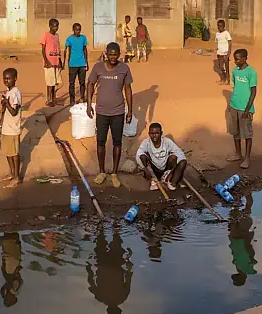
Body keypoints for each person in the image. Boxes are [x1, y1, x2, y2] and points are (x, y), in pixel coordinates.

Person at [87, 43, 134, 187]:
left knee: (117, 142)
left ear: (119, 54)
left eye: (115, 54)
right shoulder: (98, 67)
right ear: (106, 53)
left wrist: (130, 110)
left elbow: (128, 90)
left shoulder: (124, 68)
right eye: (110, 54)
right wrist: (89, 104)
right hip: (101, 111)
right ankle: (102, 172)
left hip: (118, 111)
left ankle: (114, 173)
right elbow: (90, 84)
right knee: (100, 142)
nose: (113, 57)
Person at [226, 48, 257, 169]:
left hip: (246, 108)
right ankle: (238, 153)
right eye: (235, 59)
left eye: (238, 59)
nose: (235, 61)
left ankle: (247, 158)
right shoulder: (234, 71)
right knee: (235, 131)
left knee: (247, 134)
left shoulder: (251, 72)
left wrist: (247, 109)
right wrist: (230, 104)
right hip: (234, 105)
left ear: (245, 58)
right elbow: (235, 87)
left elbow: (253, 92)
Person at [136, 122, 185, 192]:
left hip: (165, 168)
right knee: (143, 156)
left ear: (161, 133)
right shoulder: (146, 142)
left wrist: (172, 171)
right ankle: (153, 180)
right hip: (154, 169)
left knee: (178, 159)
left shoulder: (167, 142)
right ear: (149, 134)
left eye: (157, 133)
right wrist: (145, 169)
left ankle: (171, 182)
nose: (154, 136)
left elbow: (180, 154)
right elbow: (138, 155)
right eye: (152, 133)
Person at [0, 67, 24, 185]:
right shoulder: (8, 92)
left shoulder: (16, 93)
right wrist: (4, 103)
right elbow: (6, 109)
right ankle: (12, 173)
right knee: (8, 152)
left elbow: (14, 112)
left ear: (15, 79)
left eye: (8, 78)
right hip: (6, 127)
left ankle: (17, 177)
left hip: (13, 128)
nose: (6, 81)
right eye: (4, 78)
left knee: (14, 154)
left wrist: (7, 103)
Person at [64, 23, 90, 105]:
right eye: (76, 30)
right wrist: (66, 61)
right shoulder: (69, 39)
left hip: (82, 63)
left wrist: (86, 62)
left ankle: (82, 97)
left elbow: (85, 50)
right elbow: (67, 51)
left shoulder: (83, 38)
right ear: (73, 30)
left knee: (82, 82)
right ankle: (72, 99)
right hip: (72, 64)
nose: (77, 31)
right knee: (72, 83)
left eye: (79, 30)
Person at [40, 18, 63, 107]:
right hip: (49, 63)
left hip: (56, 62)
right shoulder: (46, 35)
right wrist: (46, 61)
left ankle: (54, 99)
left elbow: (58, 49)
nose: (56, 28)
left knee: (55, 82)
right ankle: (49, 100)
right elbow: (43, 49)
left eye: (57, 26)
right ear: (50, 26)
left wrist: (60, 60)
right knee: (50, 83)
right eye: (54, 26)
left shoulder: (57, 36)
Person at [214, 19, 233, 85]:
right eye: (218, 26)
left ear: (224, 26)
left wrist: (229, 53)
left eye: (221, 26)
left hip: (225, 52)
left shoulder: (226, 33)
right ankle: (223, 79)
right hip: (219, 53)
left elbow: (230, 43)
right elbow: (218, 42)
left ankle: (228, 80)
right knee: (220, 67)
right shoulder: (217, 34)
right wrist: (217, 49)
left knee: (226, 67)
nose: (219, 27)